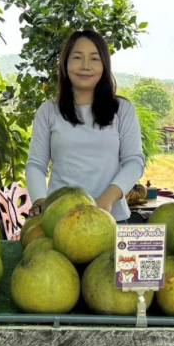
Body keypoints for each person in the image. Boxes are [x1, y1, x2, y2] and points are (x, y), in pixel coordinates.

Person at [25, 29, 145, 222]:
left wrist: (107, 200)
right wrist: (40, 201)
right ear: (65, 63)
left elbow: (134, 161)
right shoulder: (48, 111)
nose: (85, 66)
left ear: (104, 65)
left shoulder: (122, 110)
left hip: (112, 219)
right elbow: (36, 165)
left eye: (94, 58)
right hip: (59, 220)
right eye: (77, 57)